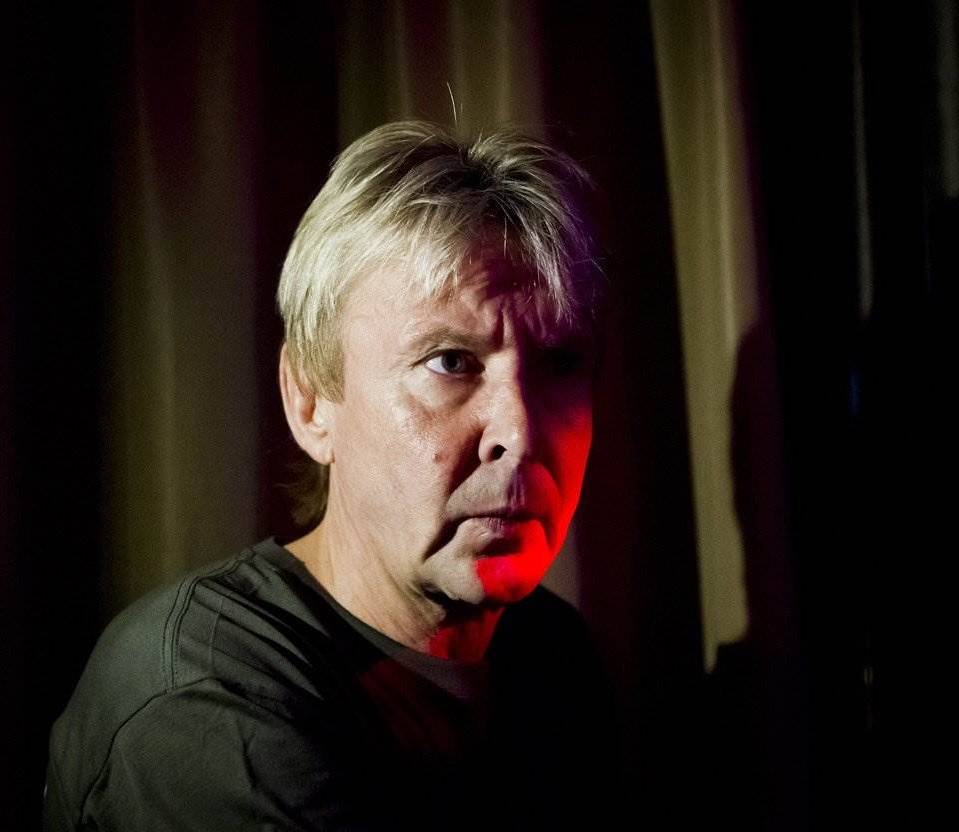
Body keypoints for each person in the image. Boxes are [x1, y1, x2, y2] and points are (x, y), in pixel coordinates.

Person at [44, 120, 616, 831]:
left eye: (560, 363)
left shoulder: (548, 653)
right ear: (311, 402)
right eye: (450, 362)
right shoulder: (205, 699)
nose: (521, 432)